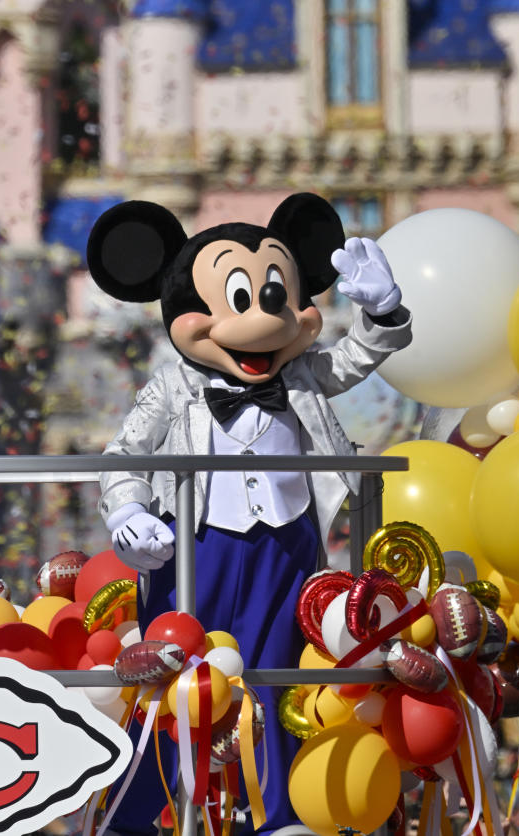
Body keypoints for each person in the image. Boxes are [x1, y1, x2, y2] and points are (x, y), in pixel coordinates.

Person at [85, 194, 412, 834]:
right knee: (173, 679)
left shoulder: (303, 375)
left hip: (287, 548)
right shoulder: (175, 385)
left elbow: (353, 359)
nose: (262, 322)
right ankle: (135, 815)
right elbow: (122, 453)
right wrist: (127, 508)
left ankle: (281, 816)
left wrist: (381, 311)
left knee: (278, 681)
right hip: (195, 546)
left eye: (273, 298)